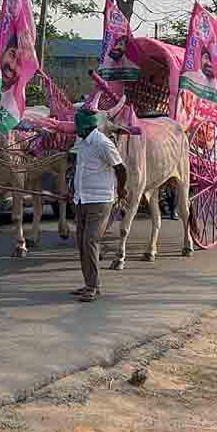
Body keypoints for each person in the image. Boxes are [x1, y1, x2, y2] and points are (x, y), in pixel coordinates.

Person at [71, 109, 127, 303]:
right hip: (82, 199)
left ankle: (94, 286)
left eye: (77, 126)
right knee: (80, 242)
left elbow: (120, 168)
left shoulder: (103, 143)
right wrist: (72, 191)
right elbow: (79, 170)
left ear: (85, 126)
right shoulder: (82, 143)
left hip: (100, 200)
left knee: (90, 241)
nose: (75, 129)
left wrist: (121, 191)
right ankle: (88, 283)